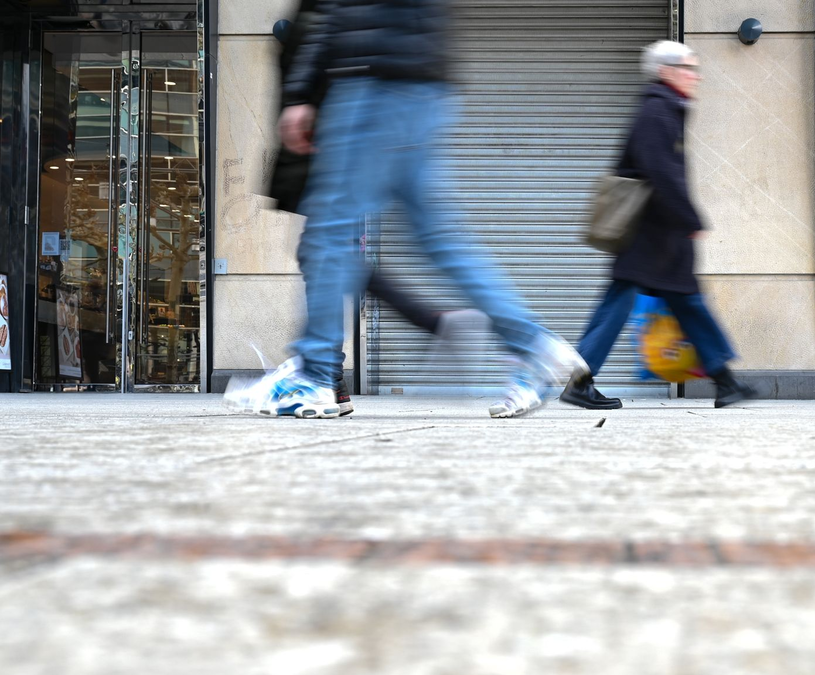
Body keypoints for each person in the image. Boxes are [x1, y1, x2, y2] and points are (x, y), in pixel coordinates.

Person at [227, 0, 584, 419]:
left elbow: (329, 8)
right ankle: (532, 343)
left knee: (327, 232)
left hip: (370, 77)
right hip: (424, 81)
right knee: (439, 238)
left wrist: (301, 89)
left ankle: (316, 378)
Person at [260, 0, 485, 417]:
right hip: (334, 137)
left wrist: (300, 99)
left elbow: (325, 63)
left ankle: (323, 375)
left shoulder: (329, 15)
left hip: (334, 141)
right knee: (331, 251)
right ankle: (331, 376)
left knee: (326, 249)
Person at [559, 40, 756, 411]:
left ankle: (726, 381)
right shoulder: (657, 110)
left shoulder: (668, 109)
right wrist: (689, 217)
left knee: (686, 303)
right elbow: (660, 171)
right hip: (649, 233)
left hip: (659, 234)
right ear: (666, 71)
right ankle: (580, 381)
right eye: (688, 69)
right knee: (628, 302)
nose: (695, 77)